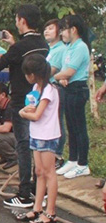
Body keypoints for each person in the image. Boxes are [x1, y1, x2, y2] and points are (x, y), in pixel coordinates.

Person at [0, 4, 49, 208]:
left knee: (23, 145)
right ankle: (39, 189)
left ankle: (24, 193)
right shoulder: (42, 44)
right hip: (40, 99)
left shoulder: (19, 47)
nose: (16, 22)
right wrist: (12, 43)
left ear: (22, 21)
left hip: (21, 102)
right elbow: (22, 58)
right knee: (38, 145)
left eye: (16, 19)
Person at [16, 54, 61, 223]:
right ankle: (37, 208)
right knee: (40, 172)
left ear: (34, 74)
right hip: (37, 134)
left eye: (28, 73)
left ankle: (50, 212)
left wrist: (22, 113)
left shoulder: (49, 90)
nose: (27, 77)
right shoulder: (37, 87)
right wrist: (27, 109)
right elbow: (33, 108)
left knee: (49, 173)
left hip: (48, 135)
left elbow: (36, 115)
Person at [53, 15, 91, 179]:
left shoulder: (81, 47)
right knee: (71, 126)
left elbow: (69, 72)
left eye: (63, 29)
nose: (61, 33)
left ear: (73, 30)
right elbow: (64, 71)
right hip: (68, 88)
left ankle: (83, 164)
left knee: (79, 127)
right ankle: (73, 159)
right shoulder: (69, 47)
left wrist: (58, 77)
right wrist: (61, 78)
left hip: (77, 89)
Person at [44, 19, 66, 166]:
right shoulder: (48, 49)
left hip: (56, 88)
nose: (46, 31)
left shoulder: (60, 49)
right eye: (45, 28)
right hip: (47, 88)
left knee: (57, 121)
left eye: (51, 28)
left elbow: (51, 71)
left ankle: (57, 154)